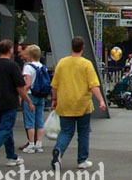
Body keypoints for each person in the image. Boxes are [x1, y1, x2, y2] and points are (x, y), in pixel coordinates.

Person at [51, 36, 106, 170]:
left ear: (72, 47)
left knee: (66, 131)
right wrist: (101, 100)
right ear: (83, 48)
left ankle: (59, 149)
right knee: (83, 132)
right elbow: (93, 85)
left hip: (65, 103)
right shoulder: (86, 64)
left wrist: (54, 99)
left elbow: (55, 85)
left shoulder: (62, 63)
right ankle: (82, 160)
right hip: (83, 104)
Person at [0, 39, 34, 171]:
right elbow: (20, 87)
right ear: (10, 51)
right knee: (5, 129)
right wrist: (28, 101)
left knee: (5, 129)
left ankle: (11, 157)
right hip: (10, 103)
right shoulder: (13, 66)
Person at [21, 44, 47, 154]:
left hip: (30, 95)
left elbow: (27, 83)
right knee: (39, 120)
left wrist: (21, 94)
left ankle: (31, 143)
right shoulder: (42, 66)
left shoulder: (28, 67)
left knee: (30, 120)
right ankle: (39, 144)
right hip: (41, 95)